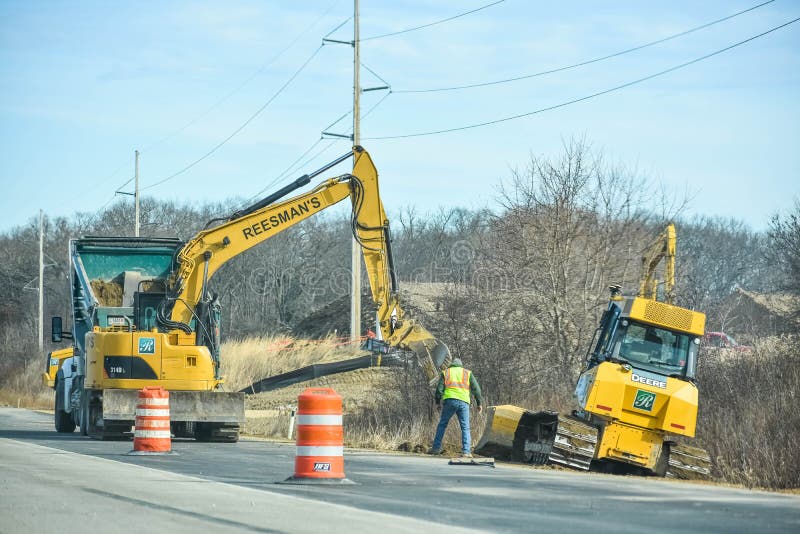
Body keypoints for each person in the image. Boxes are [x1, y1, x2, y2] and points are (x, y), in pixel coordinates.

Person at [428, 357, 483, 457]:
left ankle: (436, 448)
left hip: (450, 401)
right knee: (465, 427)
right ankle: (466, 452)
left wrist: (437, 403)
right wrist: (479, 403)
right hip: (464, 402)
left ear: (451, 364)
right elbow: (477, 390)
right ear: (461, 365)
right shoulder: (467, 373)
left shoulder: (446, 372)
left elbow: (439, 390)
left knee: (442, 425)